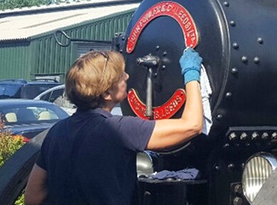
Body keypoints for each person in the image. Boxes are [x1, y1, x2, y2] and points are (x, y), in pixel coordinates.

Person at [24, 48, 204, 205]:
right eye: (121, 76)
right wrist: (191, 75)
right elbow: (192, 125)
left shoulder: (56, 132)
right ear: (107, 93)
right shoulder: (120, 129)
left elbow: (33, 198)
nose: (127, 76)